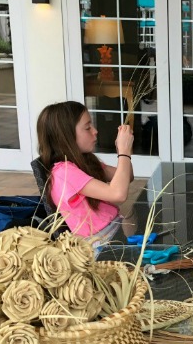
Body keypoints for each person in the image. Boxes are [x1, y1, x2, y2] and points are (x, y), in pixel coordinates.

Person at [37, 101, 134, 246]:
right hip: (100, 245)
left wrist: (123, 151)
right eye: (88, 127)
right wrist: (124, 153)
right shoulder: (64, 172)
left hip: (112, 232)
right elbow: (118, 194)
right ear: (66, 136)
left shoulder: (83, 160)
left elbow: (128, 177)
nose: (95, 131)